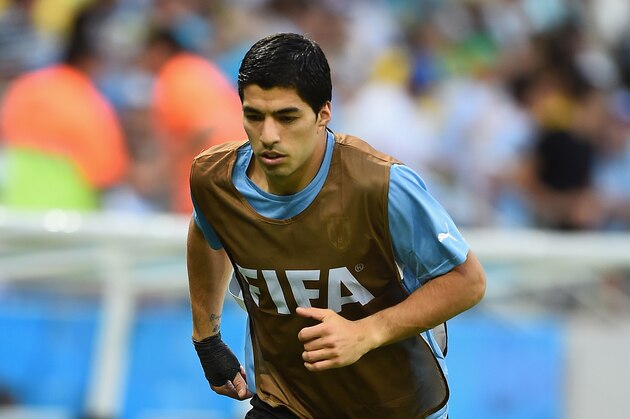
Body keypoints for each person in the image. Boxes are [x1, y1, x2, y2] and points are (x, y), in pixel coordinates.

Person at [187, 33, 486, 419]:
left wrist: (367, 332)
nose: (268, 135)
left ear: (323, 114)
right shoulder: (215, 181)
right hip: (285, 403)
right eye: (254, 116)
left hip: (397, 407)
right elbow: (206, 232)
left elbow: (468, 280)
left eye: (287, 117)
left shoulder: (379, 185)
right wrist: (207, 339)